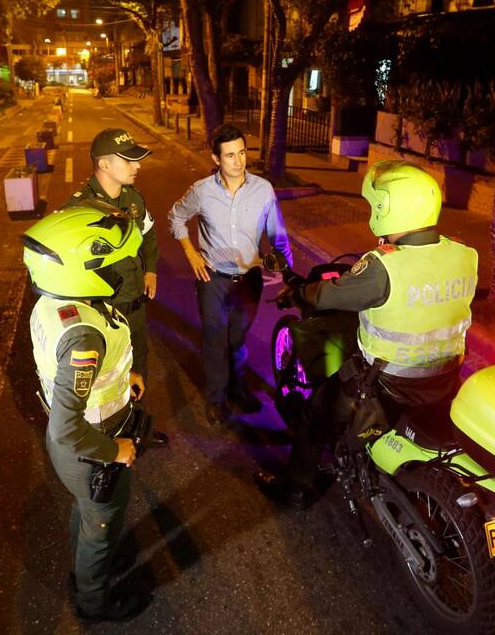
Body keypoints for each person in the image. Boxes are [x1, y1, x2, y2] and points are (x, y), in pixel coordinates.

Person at [255, 161, 478, 509]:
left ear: (386, 209)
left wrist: (299, 293)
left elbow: (330, 294)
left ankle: (296, 491)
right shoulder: (464, 254)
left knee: (316, 417)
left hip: (387, 384)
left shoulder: (383, 266)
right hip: (445, 377)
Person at [23, 200, 150, 622]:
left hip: (82, 447)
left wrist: (123, 373)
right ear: (79, 269)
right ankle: (93, 601)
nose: (120, 270)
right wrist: (114, 451)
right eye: (112, 263)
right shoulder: (82, 340)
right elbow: (65, 428)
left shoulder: (57, 302)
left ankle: (87, 570)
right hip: (91, 447)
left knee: (87, 510)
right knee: (101, 524)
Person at [169, 124, 293, 426]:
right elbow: (176, 216)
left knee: (237, 340)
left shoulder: (263, 189)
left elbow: (278, 235)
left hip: (248, 280)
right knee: (215, 340)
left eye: (241, 152)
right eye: (229, 155)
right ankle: (217, 398)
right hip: (212, 278)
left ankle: (238, 389)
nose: (238, 161)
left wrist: (288, 274)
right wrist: (191, 253)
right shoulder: (202, 191)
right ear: (216, 159)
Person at [66, 129, 159, 389]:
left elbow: (149, 236)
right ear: (104, 164)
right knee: (108, 383)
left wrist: (150, 269)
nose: (137, 165)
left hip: (136, 308)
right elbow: (66, 269)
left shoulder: (133, 200)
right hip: (102, 315)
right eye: (128, 160)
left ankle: (136, 425)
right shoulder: (79, 209)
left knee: (139, 368)